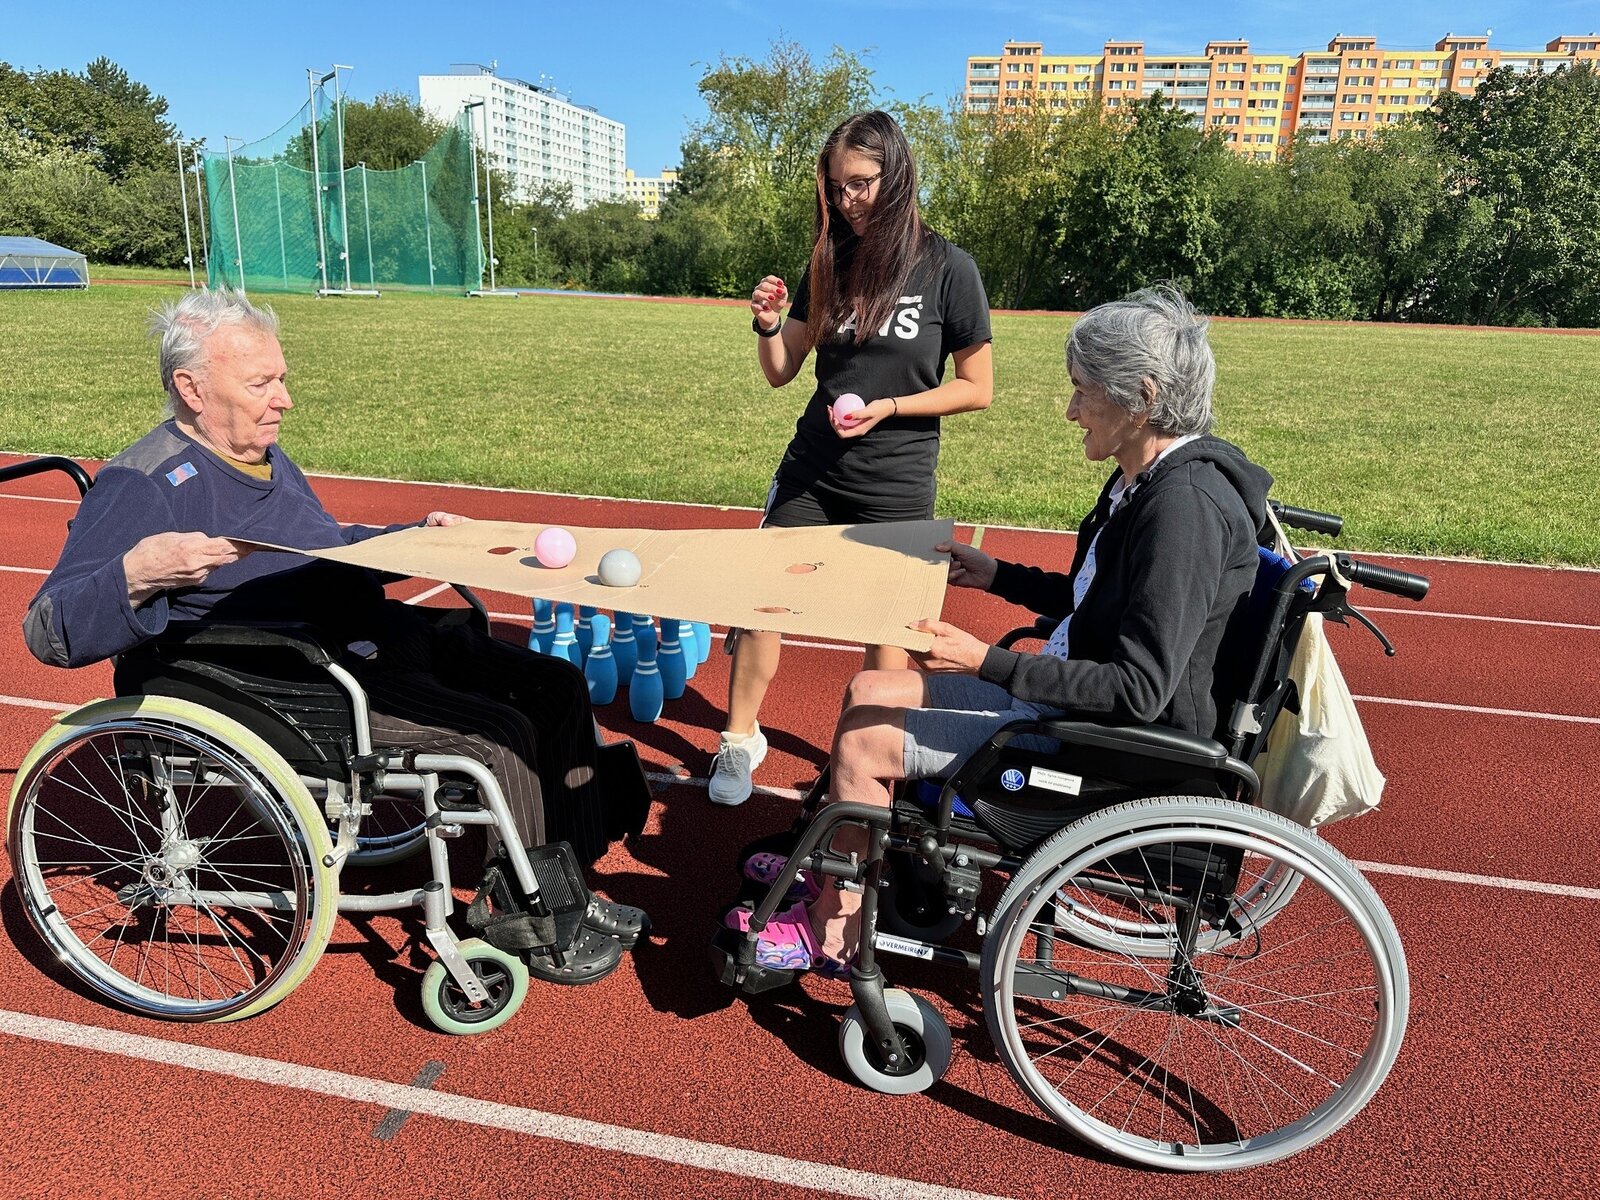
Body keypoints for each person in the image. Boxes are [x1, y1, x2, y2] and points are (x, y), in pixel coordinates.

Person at [23, 288, 647, 983]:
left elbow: (323, 545)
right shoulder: (142, 484)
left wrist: (411, 541)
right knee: (495, 735)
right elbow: (49, 630)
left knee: (555, 685)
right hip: (278, 678)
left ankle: (573, 880)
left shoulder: (263, 454)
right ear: (191, 389)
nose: (284, 399)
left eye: (281, 378)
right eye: (261, 383)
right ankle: (536, 920)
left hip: (356, 637)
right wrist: (137, 574)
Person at [730, 285, 1274, 972]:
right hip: (1074, 706)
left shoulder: (1182, 511)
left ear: (1141, 398)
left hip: (1112, 748)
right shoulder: (1146, 482)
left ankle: (835, 930)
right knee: (870, 687)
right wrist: (998, 575)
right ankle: (847, 862)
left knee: (868, 740)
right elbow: (1099, 601)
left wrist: (985, 661)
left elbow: (1139, 688)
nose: (1071, 410)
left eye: (1083, 392)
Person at [709, 110, 995, 807]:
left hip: (896, 479)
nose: (847, 201)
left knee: (885, 630)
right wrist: (767, 326)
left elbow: (977, 388)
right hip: (813, 470)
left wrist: (889, 407)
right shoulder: (829, 261)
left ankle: (862, 761)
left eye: (860, 183)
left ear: (897, 176)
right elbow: (782, 371)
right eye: (836, 188)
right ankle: (739, 740)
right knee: (761, 601)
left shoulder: (949, 269)